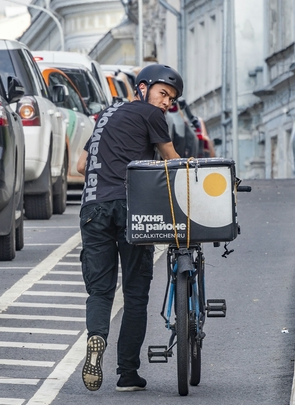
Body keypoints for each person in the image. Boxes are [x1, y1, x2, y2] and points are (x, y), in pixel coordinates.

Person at [76, 64, 182, 392]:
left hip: (92, 208)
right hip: (130, 209)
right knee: (135, 293)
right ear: (143, 87)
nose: (166, 103)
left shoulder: (107, 114)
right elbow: (171, 160)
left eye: (171, 99)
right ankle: (127, 373)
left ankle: (96, 337)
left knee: (100, 290)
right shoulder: (150, 115)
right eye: (163, 93)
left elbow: (80, 165)